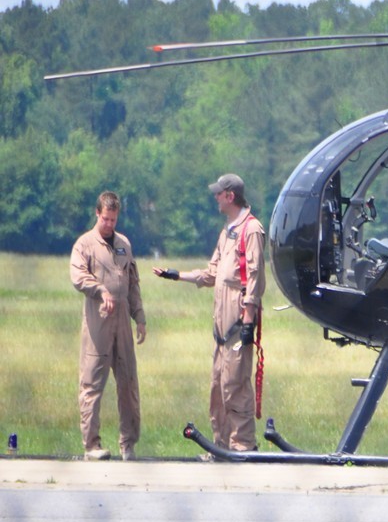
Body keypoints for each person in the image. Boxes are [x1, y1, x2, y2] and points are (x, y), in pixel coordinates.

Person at [153, 173, 266, 453]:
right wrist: (178, 276)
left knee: (235, 383)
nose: (215, 197)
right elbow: (213, 273)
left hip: (238, 316)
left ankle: (242, 445)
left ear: (230, 196)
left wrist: (248, 320)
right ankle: (221, 444)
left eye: (219, 193)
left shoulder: (251, 230)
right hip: (220, 320)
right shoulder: (227, 230)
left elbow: (254, 277)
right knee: (217, 384)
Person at [70, 190, 147, 461]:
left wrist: (139, 317)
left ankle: (128, 443)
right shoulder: (84, 245)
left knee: (128, 383)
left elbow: (133, 282)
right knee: (91, 384)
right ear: (97, 214)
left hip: (122, 322)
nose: (110, 224)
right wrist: (100, 290)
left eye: (114, 220)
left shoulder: (124, 243)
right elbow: (78, 276)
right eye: (105, 219)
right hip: (97, 322)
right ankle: (92, 445)